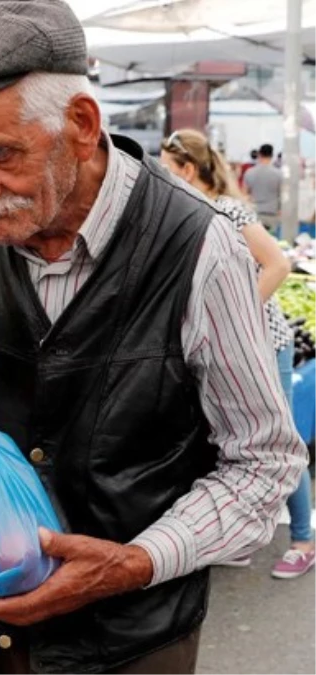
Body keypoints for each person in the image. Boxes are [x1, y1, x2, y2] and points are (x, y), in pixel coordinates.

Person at [0, 1, 307, 673]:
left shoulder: (198, 247)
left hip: (136, 638)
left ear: (81, 126)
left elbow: (263, 462)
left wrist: (134, 562)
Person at [159, 129, 310, 578]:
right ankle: (242, 538)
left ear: (188, 170)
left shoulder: (226, 209)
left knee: (275, 440)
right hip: (224, 349)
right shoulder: (187, 213)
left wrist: (233, 316)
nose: (163, 180)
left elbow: (278, 264)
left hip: (267, 343)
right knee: (228, 439)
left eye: (168, 171)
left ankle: (303, 538)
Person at [245, 143, 284, 232]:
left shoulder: (249, 172)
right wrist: (280, 209)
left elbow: (245, 194)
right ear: (272, 155)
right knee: (271, 239)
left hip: (254, 212)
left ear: (259, 154)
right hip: (272, 212)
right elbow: (282, 194)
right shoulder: (278, 174)